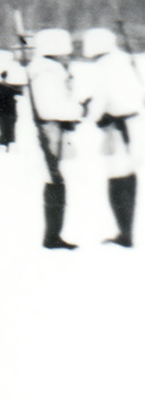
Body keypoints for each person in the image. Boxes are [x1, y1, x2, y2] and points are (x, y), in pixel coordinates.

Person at [80, 27, 141, 247]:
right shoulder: (123, 61)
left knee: (118, 178)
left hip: (118, 128)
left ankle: (124, 233)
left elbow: (101, 98)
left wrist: (89, 115)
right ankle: (127, 230)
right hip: (133, 124)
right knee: (128, 175)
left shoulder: (104, 66)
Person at [27, 28, 84, 249]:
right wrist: (77, 110)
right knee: (55, 180)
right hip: (49, 131)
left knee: (56, 180)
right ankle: (52, 237)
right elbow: (51, 108)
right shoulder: (47, 73)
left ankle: (53, 235)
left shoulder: (50, 71)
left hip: (52, 131)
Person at [0, 70, 19, 151]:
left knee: (4, 129)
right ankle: (4, 146)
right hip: (10, 112)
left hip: (2, 112)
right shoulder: (11, 88)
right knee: (9, 129)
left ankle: (1, 146)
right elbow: (14, 100)